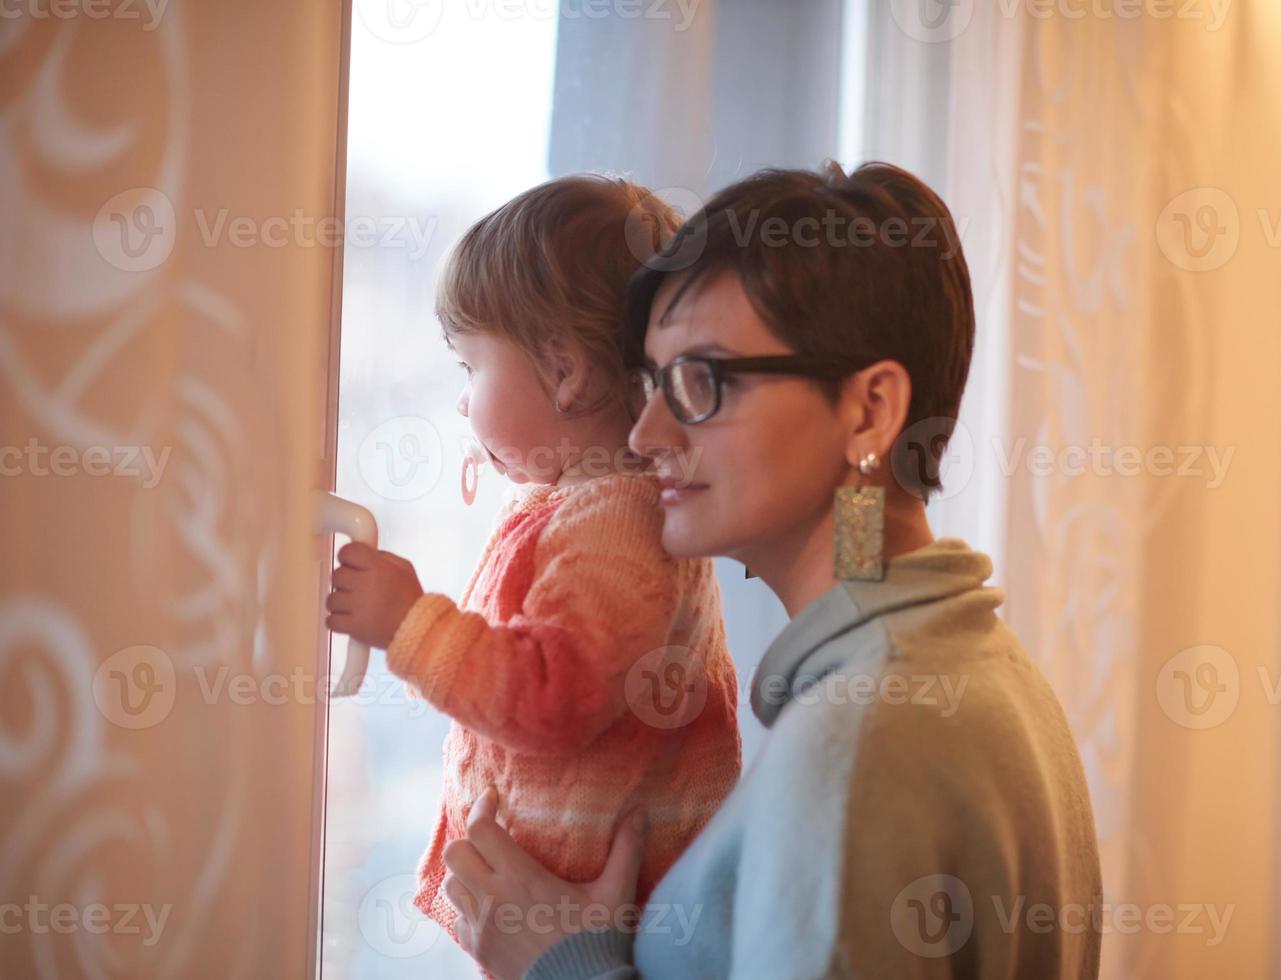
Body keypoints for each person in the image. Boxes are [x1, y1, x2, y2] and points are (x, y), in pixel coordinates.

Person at [442, 161, 1103, 979]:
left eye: (698, 381)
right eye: (651, 381)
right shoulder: (969, 668)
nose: (647, 431)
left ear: (868, 413)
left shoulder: (860, 742)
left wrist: (562, 964)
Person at [323, 175, 743, 972]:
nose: (460, 403)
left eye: (469, 367)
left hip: (597, 926)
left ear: (563, 372)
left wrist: (409, 623)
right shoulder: (584, 508)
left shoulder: (615, 527)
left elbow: (555, 693)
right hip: (564, 920)